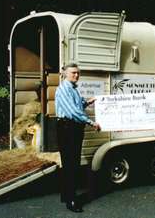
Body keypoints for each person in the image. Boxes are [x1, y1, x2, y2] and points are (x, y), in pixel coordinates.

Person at [55, 63, 101, 213]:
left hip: (72, 128)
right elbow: (74, 111)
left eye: (78, 73)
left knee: (69, 163)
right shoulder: (63, 89)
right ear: (65, 74)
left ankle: (66, 195)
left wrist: (88, 101)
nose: (76, 75)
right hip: (68, 128)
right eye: (73, 73)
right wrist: (91, 122)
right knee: (71, 164)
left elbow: (78, 104)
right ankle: (71, 201)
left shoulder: (73, 89)